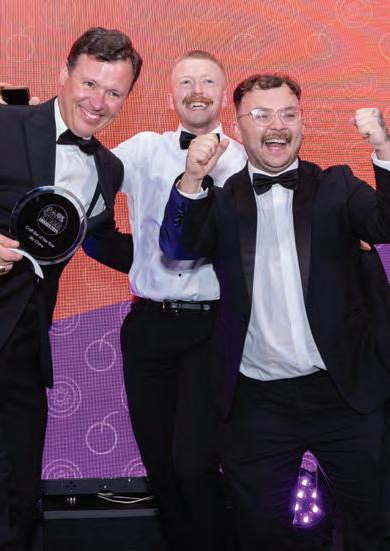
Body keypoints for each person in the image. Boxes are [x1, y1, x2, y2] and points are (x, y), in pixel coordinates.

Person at [159, 72, 390, 550]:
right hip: (258, 402)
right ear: (237, 126)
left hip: (344, 393)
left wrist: (384, 147)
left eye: (288, 114)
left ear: (302, 123)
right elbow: (178, 245)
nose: (277, 125)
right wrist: (191, 178)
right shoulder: (222, 199)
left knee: (375, 524)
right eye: (262, 114)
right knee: (261, 533)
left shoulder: (336, 186)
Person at [0, 27, 141, 551]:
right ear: (64, 73)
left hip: (26, 356)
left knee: (22, 500)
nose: (98, 102)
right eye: (89, 84)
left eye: (114, 92)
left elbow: (103, 243)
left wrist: (200, 248)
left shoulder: (108, 169)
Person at [84, 50, 247, 551]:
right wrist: (143, 261)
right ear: (171, 94)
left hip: (212, 327)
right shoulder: (143, 150)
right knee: (160, 467)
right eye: (186, 82)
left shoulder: (244, 159)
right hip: (149, 325)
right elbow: (86, 187)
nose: (197, 91)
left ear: (223, 93)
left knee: (194, 463)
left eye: (208, 82)